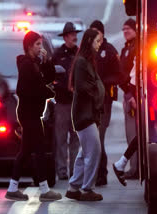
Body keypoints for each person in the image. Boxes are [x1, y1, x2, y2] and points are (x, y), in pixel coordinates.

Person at [5, 31, 62, 201]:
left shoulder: (35, 63)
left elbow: (49, 78)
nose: (40, 48)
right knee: (38, 151)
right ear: (29, 46)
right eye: (37, 44)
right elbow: (25, 90)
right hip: (29, 115)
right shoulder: (26, 65)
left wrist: (47, 62)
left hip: (32, 114)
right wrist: (47, 93)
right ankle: (44, 190)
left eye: (41, 44)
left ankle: (13, 188)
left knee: (27, 151)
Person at [65, 29, 104, 201]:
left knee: (84, 153)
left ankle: (74, 187)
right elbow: (82, 87)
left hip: (87, 114)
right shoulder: (82, 62)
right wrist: (97, 92)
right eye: (97, 41)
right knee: (93, 151)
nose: (99, 44)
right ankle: (87, 189)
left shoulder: (86, 61)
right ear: (89, 41)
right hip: (84, 115)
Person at [89, 20, 121, 186]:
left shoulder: (109, 51)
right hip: (89, 103)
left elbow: (120, 75)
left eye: (97, 32)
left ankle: (102, 173)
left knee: (98, 138)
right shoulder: (87, 51)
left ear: (102, 33)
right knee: (90, 139)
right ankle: (93, 173)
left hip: (104, 102)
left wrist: (102, 82)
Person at [52, 22, 81, 180]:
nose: (74, 37)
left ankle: (74, 171)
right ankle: (62, 171)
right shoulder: (57, 54)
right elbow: (51, 76)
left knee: (76, 139)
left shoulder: (79, 53)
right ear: (65, 37)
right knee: (61, 138)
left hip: (76, 104)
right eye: (71, 35)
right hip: (62, 103)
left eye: (75, 34)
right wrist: (63, 87)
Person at [113, 18, 139, 186]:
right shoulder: (126, 48)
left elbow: (133, 74)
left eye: (128, 29)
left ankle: (134, 168)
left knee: (135, 133)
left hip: (133, 94)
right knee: (133, 134)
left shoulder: (137, 48)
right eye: (123, 29)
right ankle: (130, 166)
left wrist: (131, 94)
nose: (125, 31)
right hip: (129, 94)